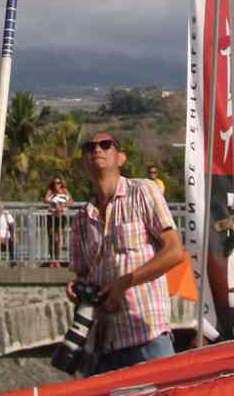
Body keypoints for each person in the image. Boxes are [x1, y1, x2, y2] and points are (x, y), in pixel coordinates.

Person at [68, 128, 185, 372]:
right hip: (103, 346)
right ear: (84, 161)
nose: (97, 150)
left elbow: (174, 251)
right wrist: (76, 289)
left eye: (105, 144)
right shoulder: (80, 219)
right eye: (89, 148)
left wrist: (125, 283)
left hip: (146, 337)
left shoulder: (143, 191)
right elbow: (82, 275)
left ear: (121, 157)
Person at [45, 174, 72, 265]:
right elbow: (45, 200)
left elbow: (71, 201)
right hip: (51, 215)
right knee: (51, 237)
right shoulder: (50, 191)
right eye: (55, 183)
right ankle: (52, 259)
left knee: (58, 238)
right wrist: (54, 202)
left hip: (61, 216)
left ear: (61, 184)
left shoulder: (64, 191)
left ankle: (58, 259)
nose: (57, 185)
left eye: (58, 183)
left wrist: (63, 204)